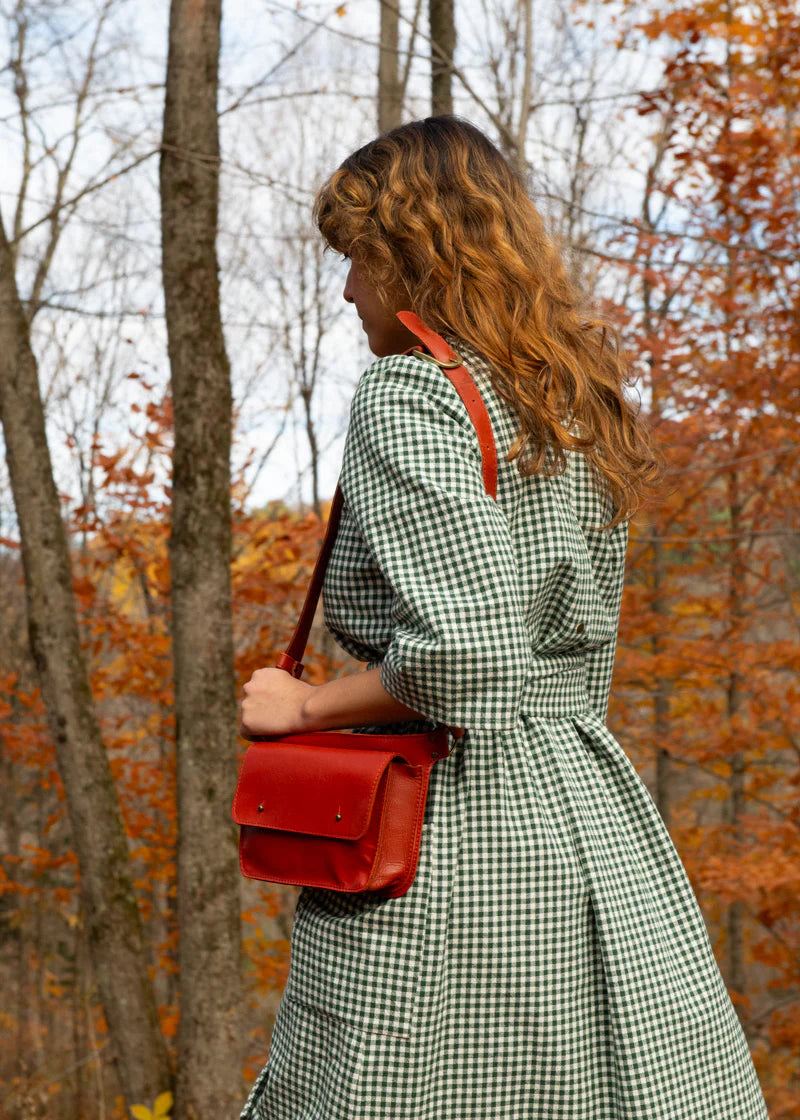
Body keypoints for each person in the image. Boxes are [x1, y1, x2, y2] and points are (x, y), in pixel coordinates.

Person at [238, 116, 768, 1120]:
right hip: (584, 812)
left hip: (448, 824)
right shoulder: (570, 395)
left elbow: (465, 658)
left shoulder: (409, 396)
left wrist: (304, 710)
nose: (347, 290)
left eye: (356, 259)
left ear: (410, 255)